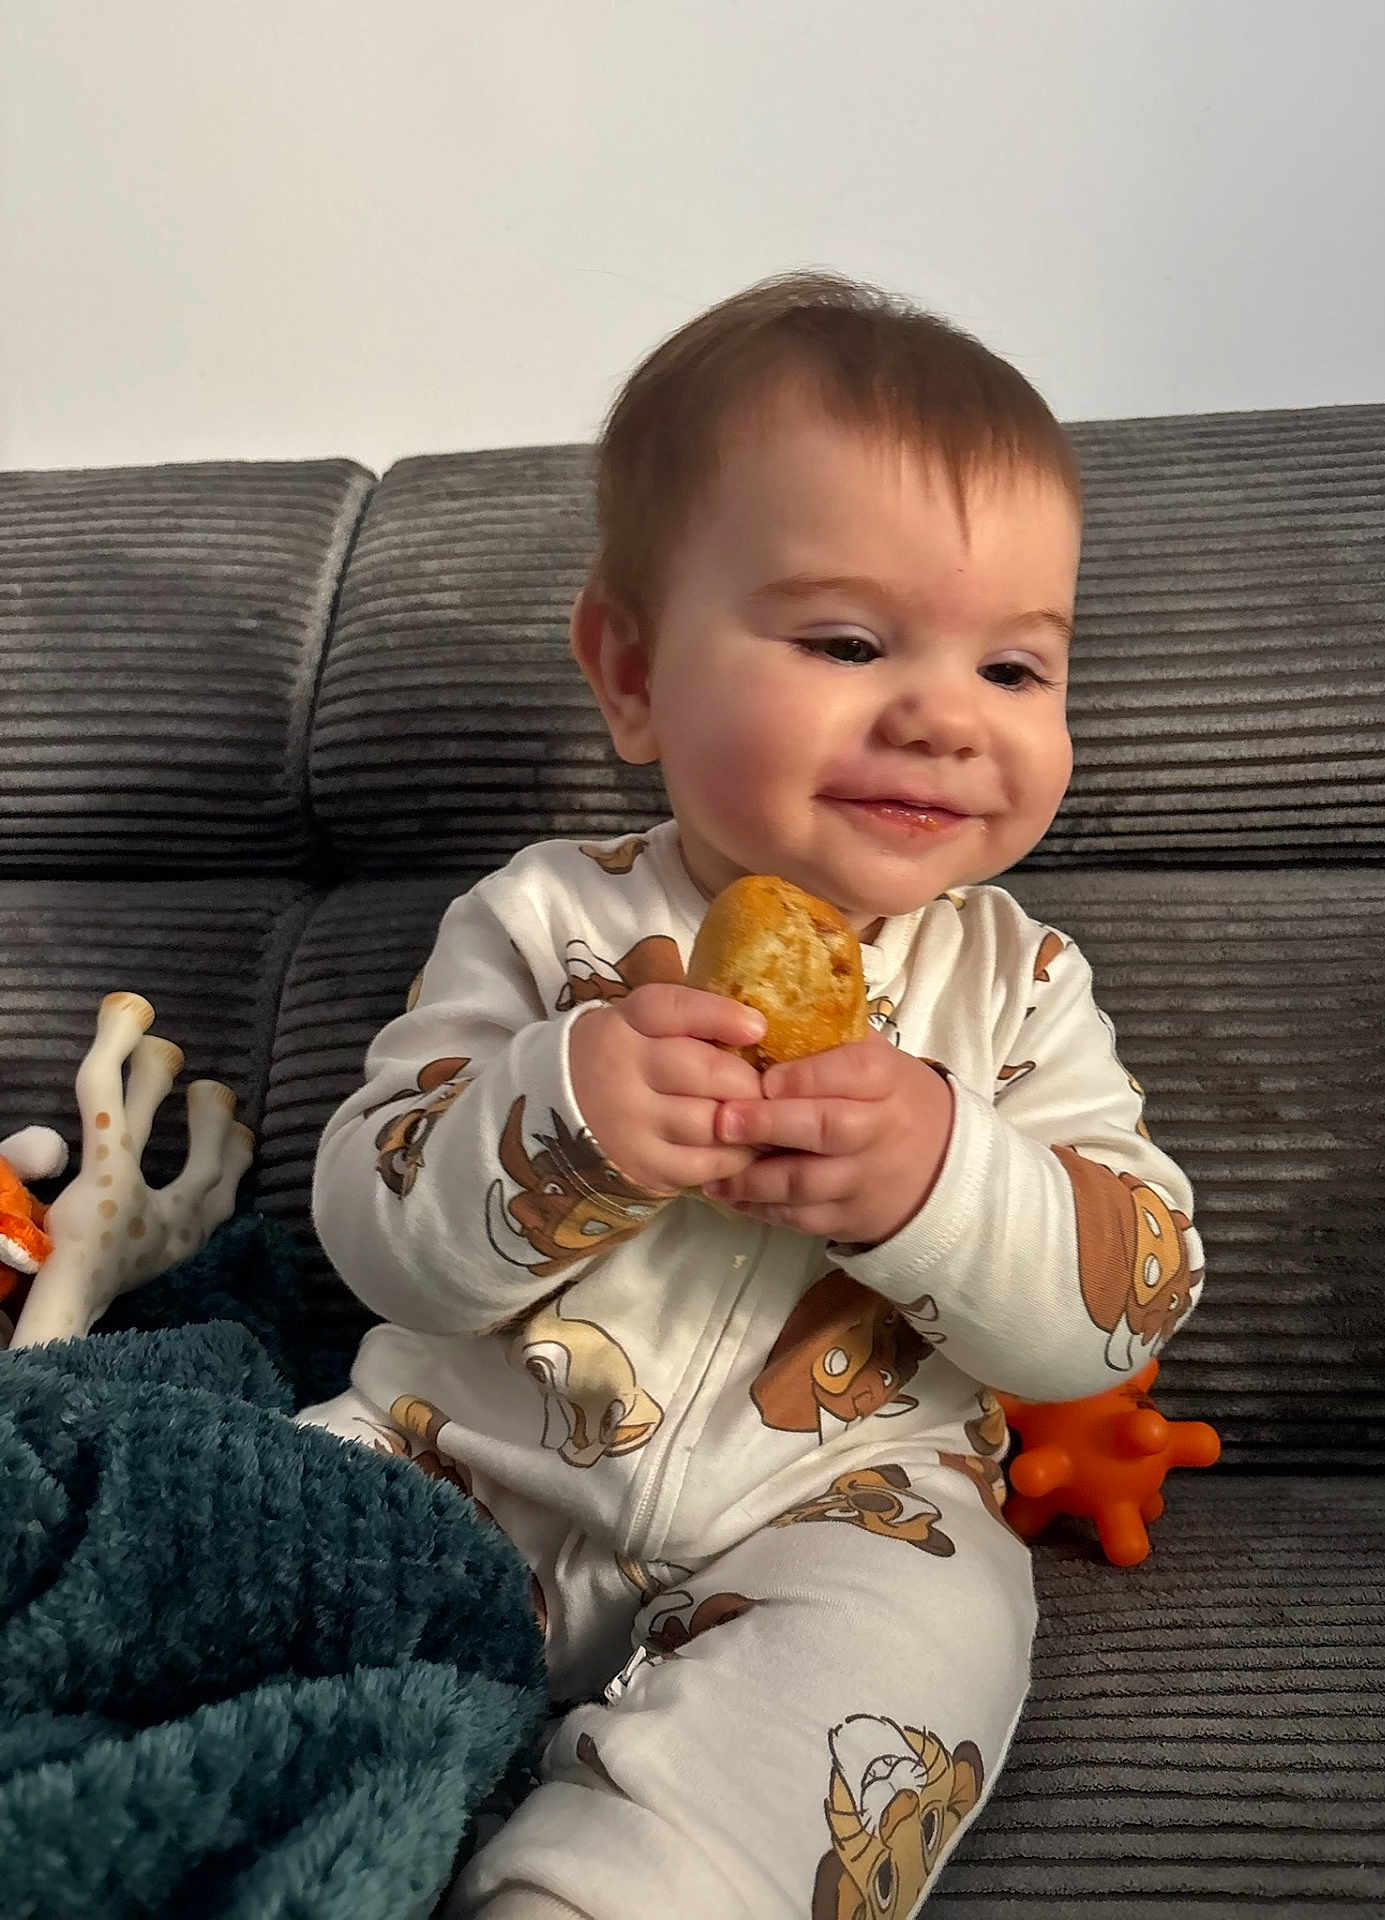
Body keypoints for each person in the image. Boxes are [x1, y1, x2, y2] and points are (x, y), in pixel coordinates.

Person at [297, 270, 1205, 1920]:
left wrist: (948, 1180)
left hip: (839, 1507)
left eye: (1018, 669)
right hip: (449, 1474)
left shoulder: (1022, 986)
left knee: (926, 1644)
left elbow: (1130, 1297)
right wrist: (566, 1116)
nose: (943, 715)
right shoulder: (542, 923)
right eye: (849, 642)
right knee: (243, 1559)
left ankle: (617, 1894)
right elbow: (370, 1216)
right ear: (632, 675)